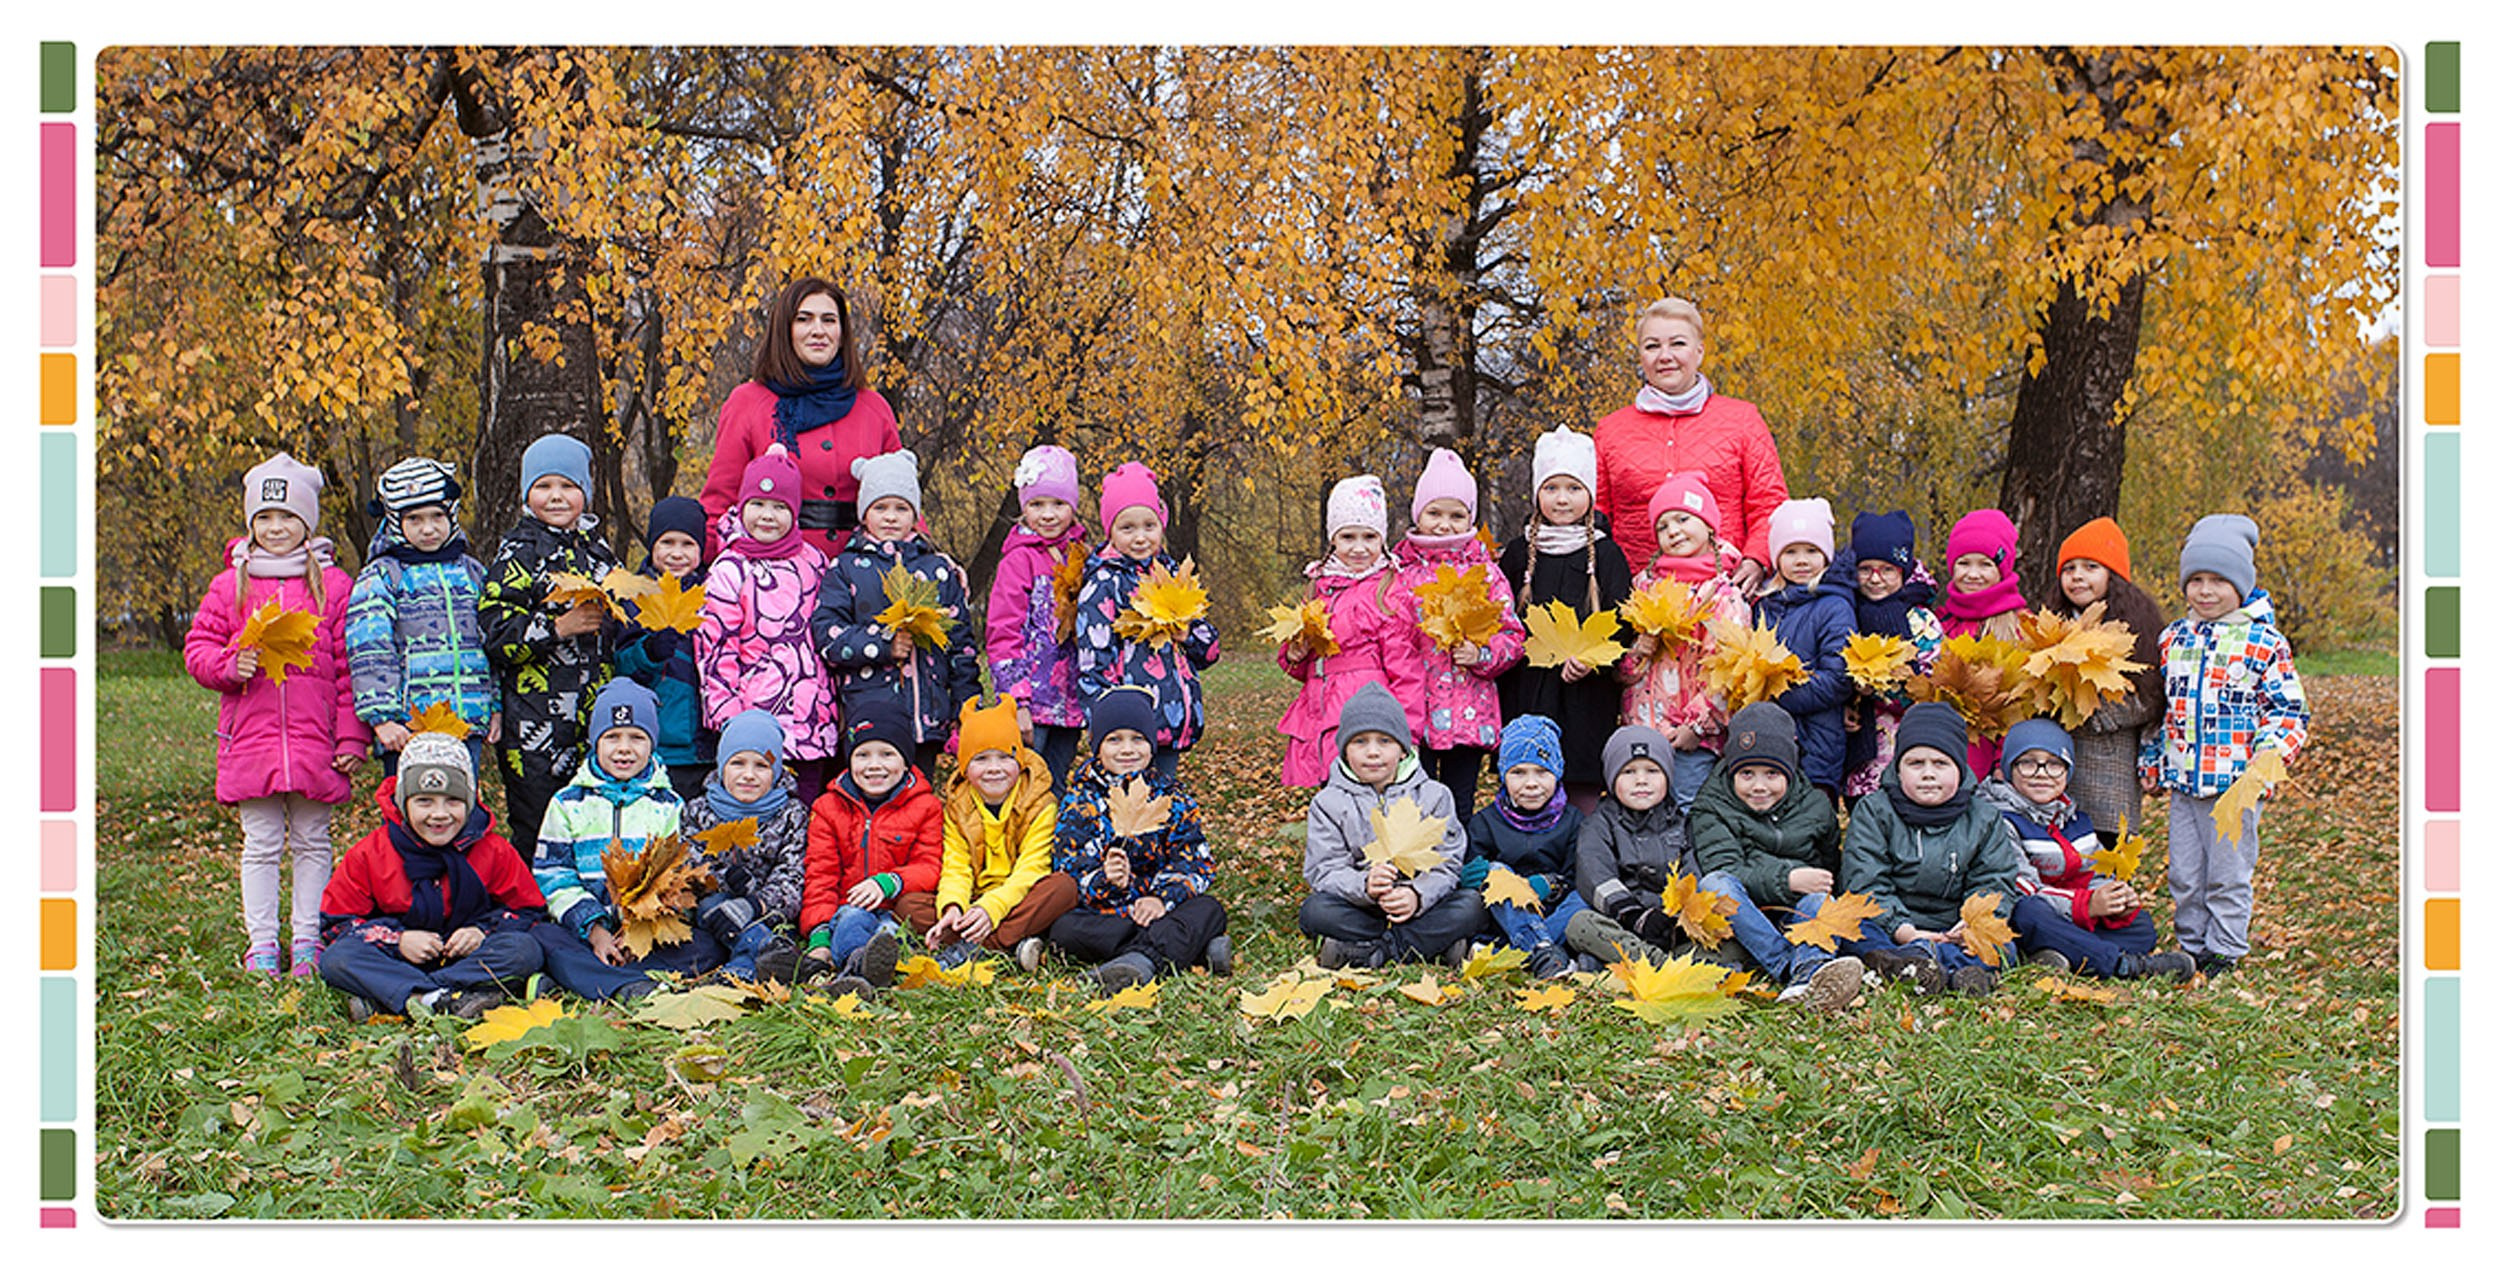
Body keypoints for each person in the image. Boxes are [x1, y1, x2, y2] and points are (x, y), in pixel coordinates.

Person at [183, 452, 371, 977]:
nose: (276, 527)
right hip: (252, 739)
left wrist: (352, 737)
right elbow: (198, 647)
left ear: (307, 522)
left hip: (318, 741)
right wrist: (227, 664)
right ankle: (262, 943)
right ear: (251, 523)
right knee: (262, 844)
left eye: (287, 517)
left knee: (313, 841)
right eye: (264, 518)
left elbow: (350, 668)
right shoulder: (230, 586)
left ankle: (308, 940)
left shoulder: (334, 587)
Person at [2141, 514, 2309, 977]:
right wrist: (2153, 760)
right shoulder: (2173, 638)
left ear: (2241, 585)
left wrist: (2265, 764)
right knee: (2185, 873)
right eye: (2196, 580)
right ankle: (2191, 946)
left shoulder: (2263, 642)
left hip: (2235, 784)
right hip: (2185, 782)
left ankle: (2225, 950)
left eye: (2218, 580)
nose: (2206, 590)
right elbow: (2162, 709)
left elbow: (2288, 711)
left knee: (2227, 874)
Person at [317, 731, 546, 1021]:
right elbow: (336, 925)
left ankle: (406, 997)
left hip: (468, 957)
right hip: (399, 957)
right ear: (403, 802)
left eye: (452, 801)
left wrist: (481, 932)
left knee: (525, 950)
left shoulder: (493, 850)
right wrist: (397, 940)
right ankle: (449, 999)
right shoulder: (370, 853)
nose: (439, 814)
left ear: (469, 801)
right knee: (338, 959)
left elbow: (529, 911)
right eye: (424, 801)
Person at [479, 433, 619, 856]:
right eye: (544, 486)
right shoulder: (518, 553)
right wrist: (558, 627)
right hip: (534, 726)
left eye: (568, 487)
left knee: (591, 820)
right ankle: (533, 912)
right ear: (526, 494)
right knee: (538, 826)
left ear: (586, 494)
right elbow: (495, 632)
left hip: (592, 720)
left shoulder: (599, 554)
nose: (556, 497)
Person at [698, 277, 903, 559]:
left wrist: (929, 556)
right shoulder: (747, 403)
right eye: (804, 319)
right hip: (774, 580)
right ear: (786, 330)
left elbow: (902, 495)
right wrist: (698, 568)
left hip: (862, 577)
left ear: (842, 332)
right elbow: (720, 501)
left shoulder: (873, 408)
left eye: (829, 320)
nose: (818, 330)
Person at [1592, 296, 1790, 587]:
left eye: (1677, 344)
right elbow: (1597, 514)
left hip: (1724, 590)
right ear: (1641, 357)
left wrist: (1757, 559)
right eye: (1652, 346)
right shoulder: (1610, 430)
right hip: (1636, 592)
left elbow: (1769, 503)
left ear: (1699, 351)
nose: (1665, 356)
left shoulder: (1743, 419)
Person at [1835, 702, 2026, 996]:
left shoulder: (1984, 817)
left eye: (1940, 764)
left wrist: (1972, 925)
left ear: (1960, 769)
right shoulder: (1874, 811)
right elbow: (1866, 882)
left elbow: (1994, 880)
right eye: (1915, 764)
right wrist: (1905, 931)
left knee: (2004, 946)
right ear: (1898, 769)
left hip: (1955, 928)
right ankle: (1923, 964)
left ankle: (1937, 968)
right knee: (1852, 928)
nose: (1928, 774)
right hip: (1892, 925)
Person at [1979, 720, 2195, 980]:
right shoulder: (2000, 819)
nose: (2041, 773)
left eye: (2054, 764)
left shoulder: (2074, 819)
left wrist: (2114, 899)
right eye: (2027, 763)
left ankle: (2058, 955)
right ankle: (2123, 966)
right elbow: (2022, 887)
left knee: (2141, 928)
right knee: (2029, 911)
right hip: (2027, 915)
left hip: (2070, 915)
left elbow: (2092, 873)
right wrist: (2087, 905)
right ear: (2009, 769)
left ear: (2067, 772)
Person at [809, 448, 980, 777]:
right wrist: (883, 643)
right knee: (871, 799)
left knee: (919, 800)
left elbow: (961, 643)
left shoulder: (938, 570)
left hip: (927, 720)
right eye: (880, 507)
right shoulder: (846, 568)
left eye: (901, 508)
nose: (890, 517)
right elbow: (827, 634)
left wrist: (966, 703)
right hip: (871, 715)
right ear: (864, 514)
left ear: (914, 515)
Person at [1047, 686, 1230, 992]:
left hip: (1161, 912)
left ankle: (1138, 962)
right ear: (1097, 746)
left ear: (1151, 745)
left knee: (1210, 910)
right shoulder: (1082, 800)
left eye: (1138, 739)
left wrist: (1162, 898)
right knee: (1063, 931)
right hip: (1107, 915)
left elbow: (1195, 862)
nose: (1127, 749)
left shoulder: (1171, 798)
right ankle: (1185, 951)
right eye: (1114, 739)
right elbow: (1068, 865)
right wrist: (1104, 879)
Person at [1687, 703, 1864, 1011]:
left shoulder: (1815, 805)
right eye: (1747, 774)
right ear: (1731, 770)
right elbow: (1724, 866)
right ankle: (1788, 966)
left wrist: (1816, 886)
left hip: (1795, 912)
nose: (1759, 786)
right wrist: (1788, 878)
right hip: (1746, 917)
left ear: (1790, 771)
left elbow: (1827, 866)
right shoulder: (1712, 806)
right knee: (1715, 884)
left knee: (1821, 902)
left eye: (1771, 774)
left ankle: (1808, 974)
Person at [530, 679, 707, 985]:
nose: (624, 748)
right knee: (541, 937)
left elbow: (678, 875)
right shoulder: (568, 803)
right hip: (585, 931)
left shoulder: (669, 806)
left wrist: (641, 928)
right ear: (595, 742)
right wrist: (595, 928)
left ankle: (608, 980)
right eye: (612, 737)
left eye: (637, 737)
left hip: (647, 931)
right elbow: (553, 873)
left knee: (705, 946)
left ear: (652, 743)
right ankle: (624, 979)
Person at [1301, 682, 1485, 968]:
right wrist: (1364, 886)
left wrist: (1416, 894)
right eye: (1360, 741)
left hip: (1420, 906)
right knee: (1315, 911)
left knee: (1471, 905)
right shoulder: (1328, 803)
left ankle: (1373, 951)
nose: (1373, 752)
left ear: (1403, 749)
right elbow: (1323, 870)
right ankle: (1423, 945)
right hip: (1360, 906)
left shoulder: (1434, 796)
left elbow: (1447, 865)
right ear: (1344, 750)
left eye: (1384, 741)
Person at [1497, 425, 1633, 810]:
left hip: (1585, 695)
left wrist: (1592, 662)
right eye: (1551, 488)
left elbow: (1623, 623)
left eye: (1573, 489)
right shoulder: (1518, 553)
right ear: (1537, 492)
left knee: (1581, 780)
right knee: (1528, 777)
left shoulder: (1607, 556)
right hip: (1529, 688)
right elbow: (1501, 618)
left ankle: (1582, 857)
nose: (1562, 499)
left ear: (1589, 494)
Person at [699, 444, 841, 806]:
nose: (767, 516)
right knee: (757, 817)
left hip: (811, 720)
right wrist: (731, 720)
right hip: (755, 721)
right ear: (742, 506)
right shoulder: (729, 569)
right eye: (758, 505)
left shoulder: (814, 562)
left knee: (804, 816)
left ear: (794, 513)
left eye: (780, 507)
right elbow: (715, 651)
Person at [903, 696, 1082, 970]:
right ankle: (1007, 942)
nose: (994, 768)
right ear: (964, 765)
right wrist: (954, 907)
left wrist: (992, 909)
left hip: (1019, 898)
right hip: (975, 899)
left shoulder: (1040, 802)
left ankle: (979, 947)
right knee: (909, 905)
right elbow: (956, 865)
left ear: (1019, 760)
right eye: (981, 759)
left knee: (1062, 888)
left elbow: (1033, 868)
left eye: (1004, 757)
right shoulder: (957, 805)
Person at [1391, 447, 1524, 816]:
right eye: (1434, 513)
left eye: (1456, 515)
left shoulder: (1486, 573)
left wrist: (1482, 655)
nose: (1444, 524)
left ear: (1470, 518)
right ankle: (1419, 869)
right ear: (1418, 515)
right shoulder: (1400, 574)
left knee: (1459, 802)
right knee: (1412, 800)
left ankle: (1458, 868)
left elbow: (1511, 636)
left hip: (1468, 710)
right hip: (1417, 708)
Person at [346, 456, 496, 778]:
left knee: (460, 810)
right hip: (408, 725)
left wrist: (495, 706)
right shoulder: (383, 576)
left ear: (451, 516)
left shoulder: (472, 573)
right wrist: (382, 717)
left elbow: (492, 644)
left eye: (437, 516)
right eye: (414, 519)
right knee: (410, 810)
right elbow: (369, 649)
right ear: (394, 522)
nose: (428, 529)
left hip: (466, 720)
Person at [1072, 461, 1222, 782]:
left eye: (1149, 526)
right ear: (1110, 530)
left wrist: (1189, 635)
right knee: (1128, 808)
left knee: (1163, 804)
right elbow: (1091, 663)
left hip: (1172, 720)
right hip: (1129, 733)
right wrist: (1107, 726)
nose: (1140, 538)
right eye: (1127, 528)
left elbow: (1210, 651)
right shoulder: (1103, 585)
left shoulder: (1171, 576)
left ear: (1161, 526)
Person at [1278, 474, 1428, 787]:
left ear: (1382, 540)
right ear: (1333, 538)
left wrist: (1405, 733)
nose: (1359, 548)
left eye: (1369, 538)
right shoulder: (1320, 586)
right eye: (1348, 537)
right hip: (1318, 707)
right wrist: (1295, 655)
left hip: (1365, 711)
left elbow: (1407, 671)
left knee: (1364, 798)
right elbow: (1307, 663)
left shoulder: (1389, 593)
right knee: (1329, 799)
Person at [1616, 472, 1750, 815]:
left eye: (1682, 519)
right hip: (1643, 731)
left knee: (1689, 809)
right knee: (1641, 815)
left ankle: (1693, 870)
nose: (1673, 531)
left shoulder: (1722, 595)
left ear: (1708, 525)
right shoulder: (1644, 588)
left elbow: (1730, 670)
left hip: (1691, 737)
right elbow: (1622, 668)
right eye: (1662, 526)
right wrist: (1637, 654)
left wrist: (1698, 726)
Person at [798, 701, 945, 999]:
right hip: (846, 910)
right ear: (849, 760)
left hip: (896, 911)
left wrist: (890, 881)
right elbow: (820, 875)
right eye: (862, 755)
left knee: (890, 937)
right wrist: (819, 933)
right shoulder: (827, 808)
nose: (874, 765)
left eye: (887, 754)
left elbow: (930, 865)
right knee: (852, 922)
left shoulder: (925, 806)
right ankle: (856, 969)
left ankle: (867, 973)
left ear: (905, 761)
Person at [2046, 517, 2167, 836]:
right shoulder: (2051, 626)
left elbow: (2150, 694)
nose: (2077, 577)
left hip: (2110, 778)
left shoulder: (2135, 626)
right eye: (2069, 569)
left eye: (2090, 567)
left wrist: (2093, 712)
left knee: (2107, 866)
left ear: (2112, 575)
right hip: (2056, 773)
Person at [984, 444, 1091, 792]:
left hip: (1071, 700)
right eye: (1037, 504)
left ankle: (1052, 846)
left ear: (1073, 506)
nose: (1048, 514)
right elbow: (1003, 633)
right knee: (1025, 786)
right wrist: (1016, 701)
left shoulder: (1083, 556)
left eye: (1058, 504)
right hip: (1033, 701)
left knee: (1056, 785)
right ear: (1023, 507)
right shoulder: (1018, 561)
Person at [677, 709, 810, 985]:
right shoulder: (699, 811)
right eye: (738, 763)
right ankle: (773, 955)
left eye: (761, 766)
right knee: (714, 908)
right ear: (721, 765)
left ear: (775, 771)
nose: (749, 775)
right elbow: (691, 867)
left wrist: (756, 902)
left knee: (771, 929)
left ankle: (739, 972)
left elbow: (792, 875)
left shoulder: (791, 814)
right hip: (714, 910)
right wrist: (725, 880)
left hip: (768, 912)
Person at [1457, 715, 1586, 979]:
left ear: (1557, 772)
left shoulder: (1574, 821)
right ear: (1504, 775)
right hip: (1507, 913)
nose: (1531, 783)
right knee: (1496, 871)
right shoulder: (1486, 822)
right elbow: (1475, 872)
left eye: (1542, 772)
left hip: (1553, 909)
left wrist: (1550, 884)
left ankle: (1512, 951)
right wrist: (1471, 876)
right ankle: (1543, 950)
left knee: (1584, 900)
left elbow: (1576, 876)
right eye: (1518, 773)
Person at [1559, 725, 1699, 967]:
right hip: (1624, 920)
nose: (1641, 781)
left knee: (1729, 936)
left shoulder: (1682, 822)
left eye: (1652, 771)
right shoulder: (1600, 824)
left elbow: (1693, 869)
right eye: (1629, 772)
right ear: (1612, 779)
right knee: (1580, 923)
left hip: (1674, 924)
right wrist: (1634, 916)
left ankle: (1620, 963)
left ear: (1668, 776)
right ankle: (1656, 964)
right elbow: (1595, 873)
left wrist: (1677, 916)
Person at [1751, 498, 1856, 800]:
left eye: (1811, 551)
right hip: (1769, 740)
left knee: (1812, 819)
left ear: (1826, 556)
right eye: (1791, 551)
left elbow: (1838, 679)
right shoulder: (1764, 605)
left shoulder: (1835, 606)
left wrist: (1775, 691)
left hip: (1817, 743)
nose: (1801, 560)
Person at [1837, 510, 1943, 802]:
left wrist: (1878, 691)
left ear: (1903, 571)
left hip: (1907, 751)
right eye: (1866, 569)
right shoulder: (1845, 611)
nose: (1875, 579)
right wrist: (1849, 702)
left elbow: (1927, 687)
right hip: (1859, 762)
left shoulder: (1920, 621)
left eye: (1887, 570)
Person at [614, 496, 713, 802]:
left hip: (710, 742)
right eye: (667, 542)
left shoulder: (715, 593)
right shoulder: (636, 596)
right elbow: (623, 664)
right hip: (662, 739)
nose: (677, 554)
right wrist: (650, 652)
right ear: (652, 545)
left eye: (687, 544)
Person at [1940, 507, 2030, 776]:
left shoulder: (2020, 626)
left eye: (1985, 564)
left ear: (2001, 569)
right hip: (1945, 748)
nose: (1973, 574)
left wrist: (2007, 760)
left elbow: (2022, 703)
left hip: (1995, 755)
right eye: (1964, 563)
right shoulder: (1941, 623)